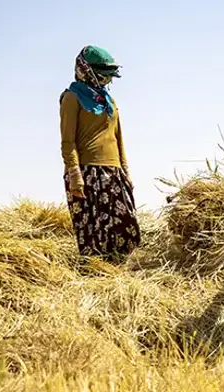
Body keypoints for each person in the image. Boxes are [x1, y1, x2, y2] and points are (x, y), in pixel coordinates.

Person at [59, 45, 140, 261]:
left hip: (113, 172)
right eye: (103, 75)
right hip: (87, 172)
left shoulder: (109, 102)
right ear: (85, 70)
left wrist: (125, 172)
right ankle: (95, 276)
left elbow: (119, 138)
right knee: (93, 234)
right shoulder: (71, 98)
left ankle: (120, 273)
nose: (107, 81)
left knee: (127, 227)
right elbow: (68, 141)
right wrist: (75, 174)